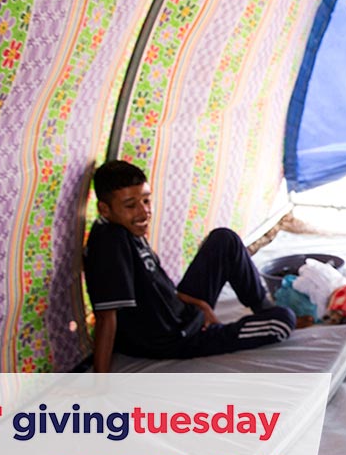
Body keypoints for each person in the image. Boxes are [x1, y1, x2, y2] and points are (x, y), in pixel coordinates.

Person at [84, 160, 296, 373]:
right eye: (130, 205)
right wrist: (100, 380)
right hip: (176, 338)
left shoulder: (126, 228)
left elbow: (159, 288)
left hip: (181, 314)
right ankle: (261, 318)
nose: (143, 212)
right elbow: (105, 316)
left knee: (225, 240)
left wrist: (198, 304)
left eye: (146, 200)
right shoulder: (109, 245)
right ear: (104, 209)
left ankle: (263, 307)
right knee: (283, 321)